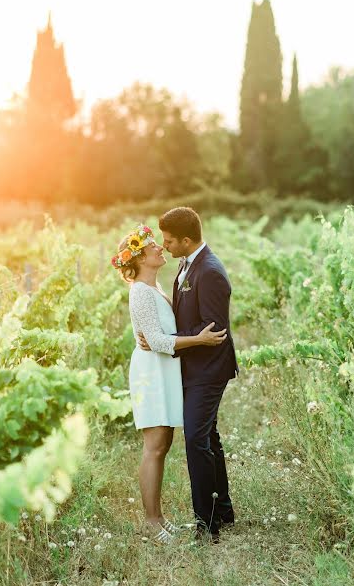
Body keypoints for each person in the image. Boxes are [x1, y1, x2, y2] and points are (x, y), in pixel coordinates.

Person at [111, 224, 227, 544]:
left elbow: (159, 336)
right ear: (139, 258)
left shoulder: (157, 287)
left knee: (163, 445)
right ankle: (150, 521)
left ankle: (159, 518)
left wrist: (169, 339)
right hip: (151, 372)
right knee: (155, 446)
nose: (160, 247)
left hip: (162, 370)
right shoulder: (140, 292)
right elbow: (158, 342)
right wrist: (199, 340)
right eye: (152, 246)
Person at [139, 208, 238, 543]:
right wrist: (159, 338)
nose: (164, 246)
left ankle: (206, 525)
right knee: (208, 437)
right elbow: (182, 319)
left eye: (169, 240)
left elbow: (214, 330)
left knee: (196, 439)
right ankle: (222, 511)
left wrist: (168, 345)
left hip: (209, 369)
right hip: (192, 367)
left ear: (186, 239)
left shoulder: (209, 271)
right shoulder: (185, 264)